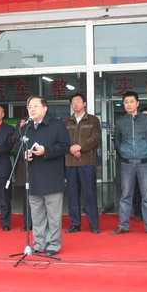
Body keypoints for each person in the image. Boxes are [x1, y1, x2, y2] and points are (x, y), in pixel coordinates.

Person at [23, 96, 70, 256]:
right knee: (37, 215)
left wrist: (46, 151)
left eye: (35, 106)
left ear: (45, 108)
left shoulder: (57, 125)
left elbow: (65, 146)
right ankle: (39, 243)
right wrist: (26, 154)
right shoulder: (27, 127)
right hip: (34, 177)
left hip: (52, 177)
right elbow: (20, 147)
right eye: (29, 107)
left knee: (53, 215)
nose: (32, 109)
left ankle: (53, 244)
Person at [113, 91, 147, 236]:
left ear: (137, 103)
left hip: (145, 163)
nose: (129, 104)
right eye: (126, 102)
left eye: (131, 101)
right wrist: (123, 153)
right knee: (125, 195)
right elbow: (117, 141)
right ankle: (123, 225)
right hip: (127, 163)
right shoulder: (120, 122)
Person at [64, 93, 102, 234]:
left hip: (87, 162)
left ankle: (94, 225)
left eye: (78, 101)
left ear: (84, 104)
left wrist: (80, 147)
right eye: (73, 102)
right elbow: (62, 139)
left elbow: (96, 138)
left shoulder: (93, 120)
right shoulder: (66, 121)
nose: (75, 104)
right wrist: (71, 149)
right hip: (70, 162)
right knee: (72, 195)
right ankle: (75, 224)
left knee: (89, 194)